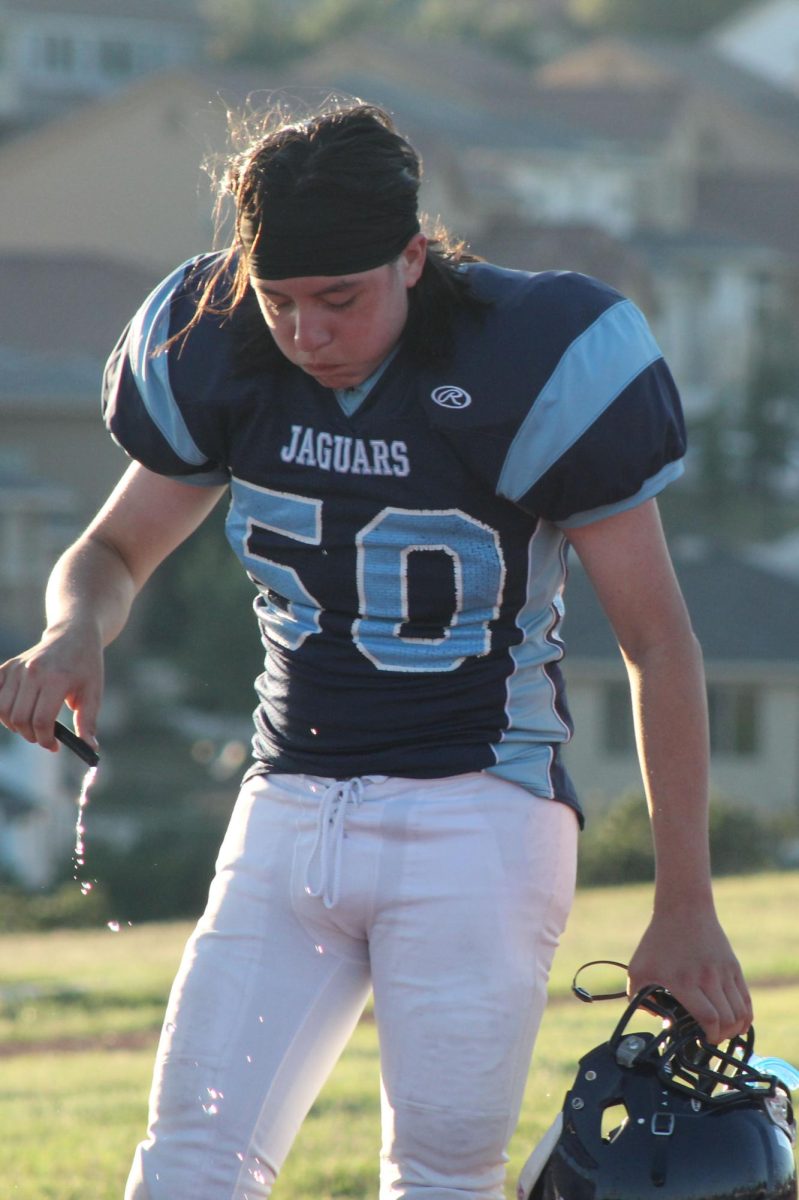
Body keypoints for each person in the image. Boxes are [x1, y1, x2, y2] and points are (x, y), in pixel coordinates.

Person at [0, 101, 752, 1200]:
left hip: (476, 809)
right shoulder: (216, 339)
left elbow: (657, 642)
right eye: (280, 300)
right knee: (186, 1167)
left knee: (441, 1175)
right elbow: (111, 548)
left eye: (338, 299)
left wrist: (685, 900)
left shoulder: (531, 357)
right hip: (288, 801)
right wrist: (74, 623)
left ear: (412, 256)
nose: (306, 332)